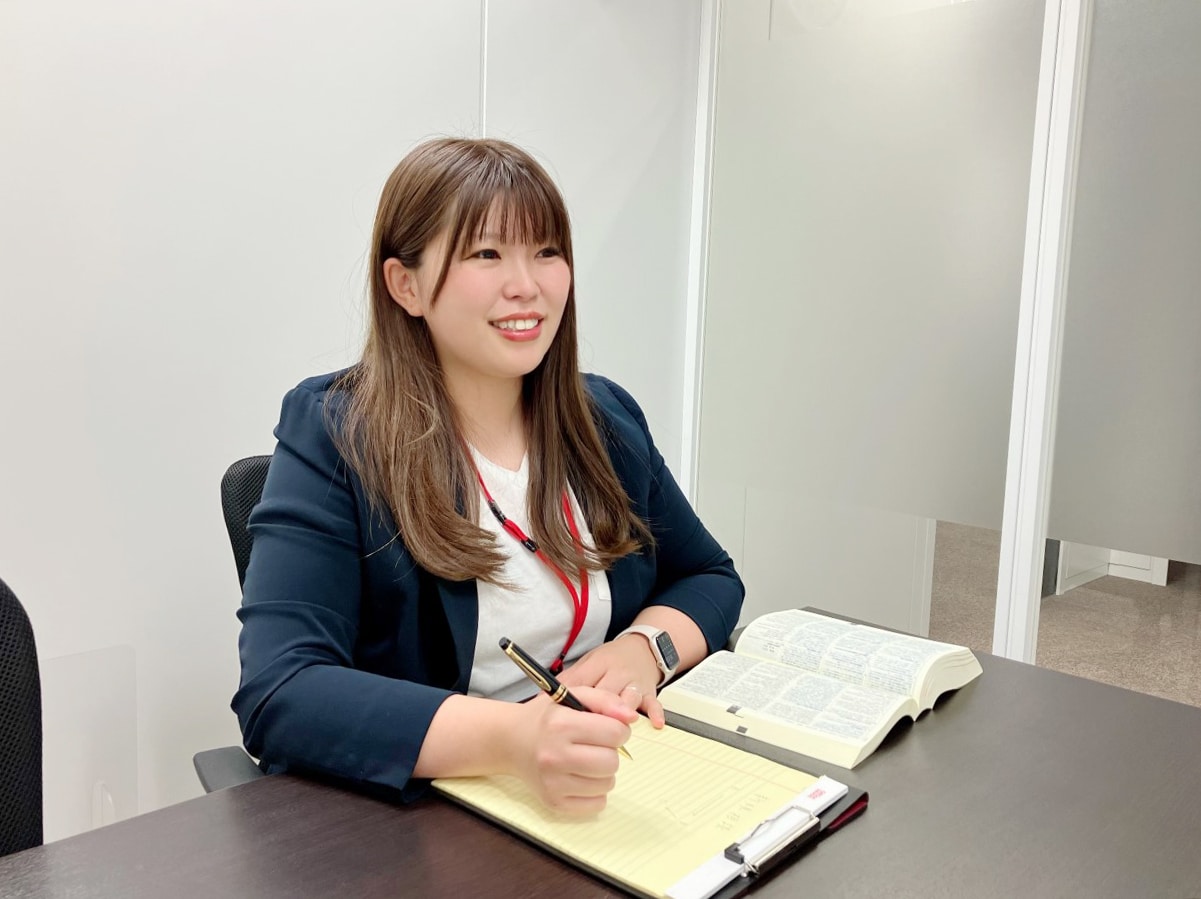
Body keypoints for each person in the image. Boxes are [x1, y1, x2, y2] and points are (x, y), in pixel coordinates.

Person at [233, 137, 744, 817]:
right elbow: (281, 689)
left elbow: (708, 575)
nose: (526, 285)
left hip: (606, 783)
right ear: (405, 285)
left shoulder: (602, 418)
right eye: (485, 253)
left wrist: (643, 650)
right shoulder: (337, 431)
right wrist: (514, 738)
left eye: (546, 251)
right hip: (435, 812)